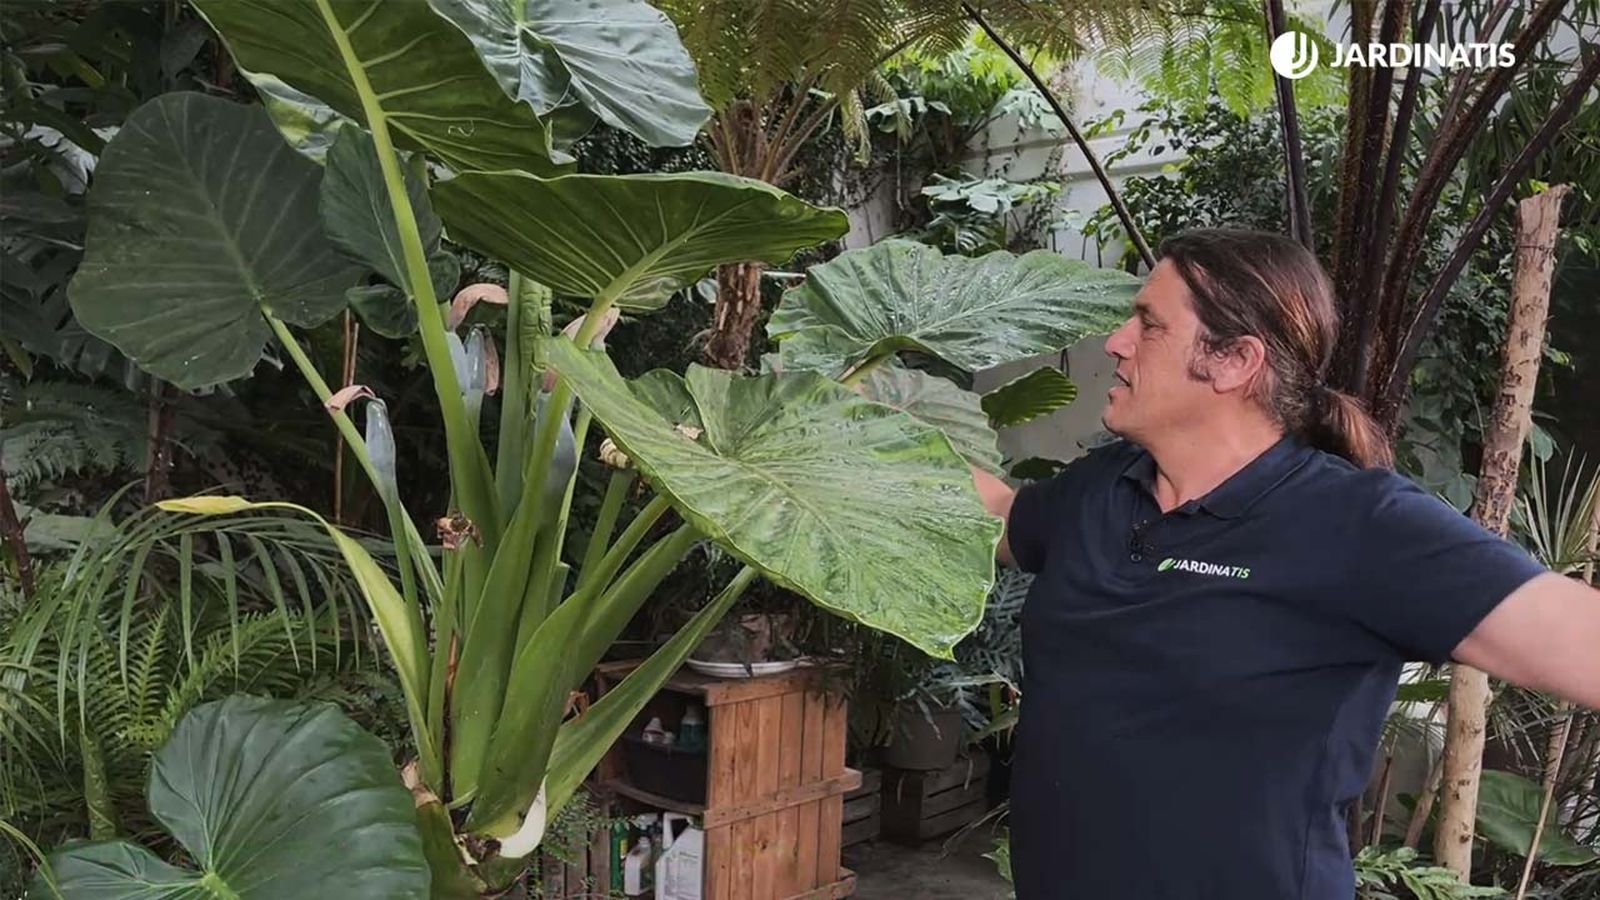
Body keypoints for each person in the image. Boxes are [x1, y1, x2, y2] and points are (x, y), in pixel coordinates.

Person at [969, 228, 1600, 899]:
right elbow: (1001, 516)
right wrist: (885, 433)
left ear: (1235, 361)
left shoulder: (1358, 524)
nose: (1116, 342)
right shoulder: (1105, 485)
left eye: (1149, 325)